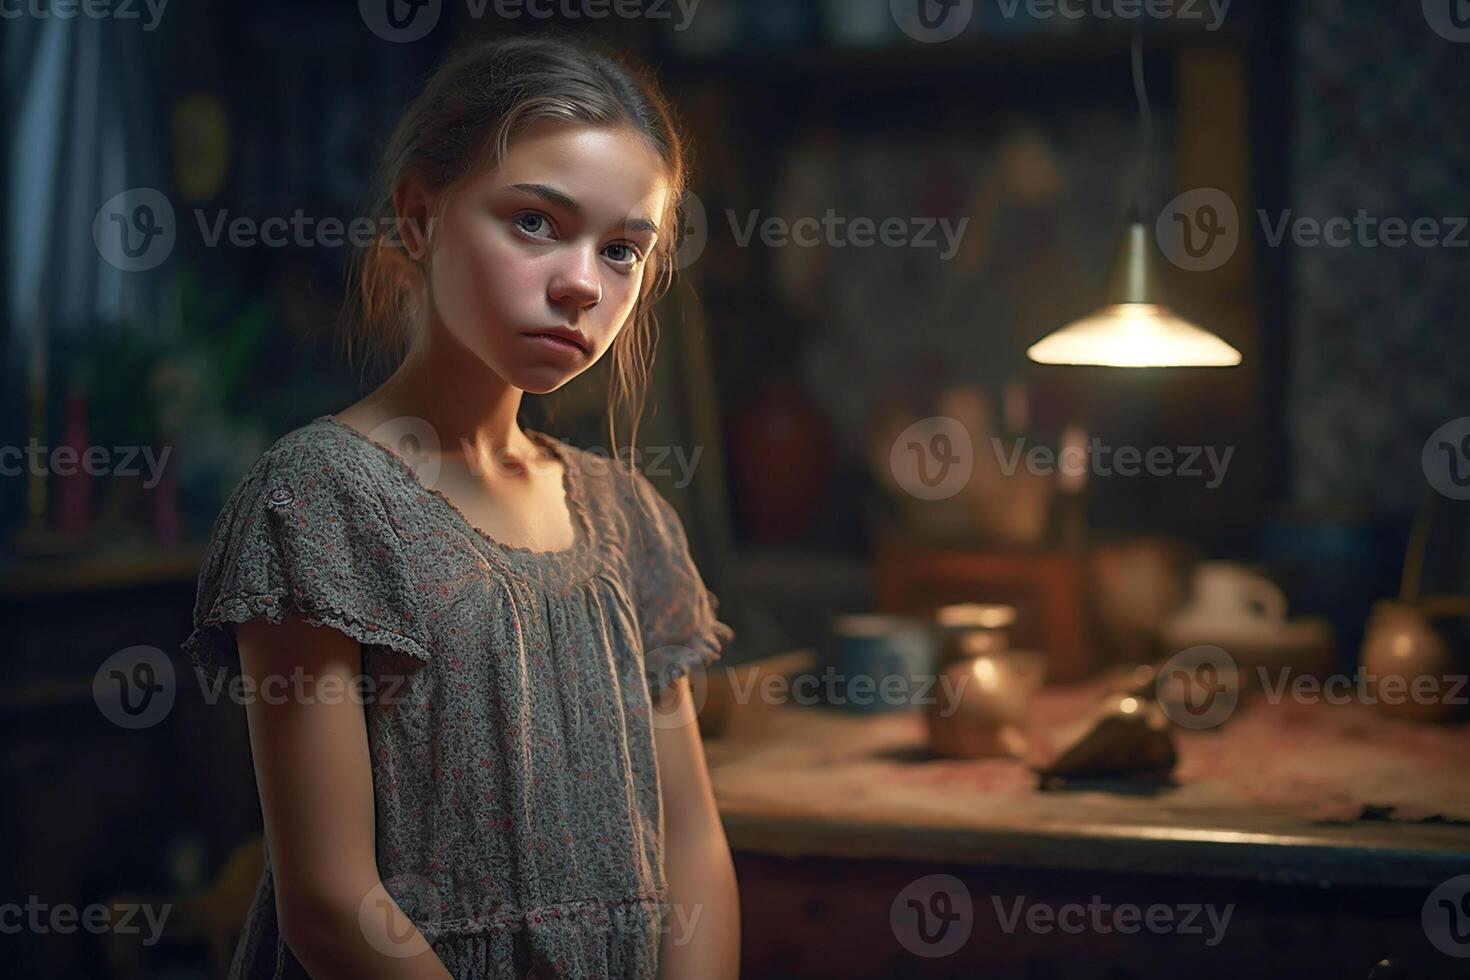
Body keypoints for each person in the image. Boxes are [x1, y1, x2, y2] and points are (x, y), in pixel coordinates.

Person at [182, 32, 739, 979]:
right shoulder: (322, 501)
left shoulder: (627, 517)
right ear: (420, 216)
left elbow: (694, 849)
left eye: (621, 251)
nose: (579, 284)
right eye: (533, 222)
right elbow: (329, 900)